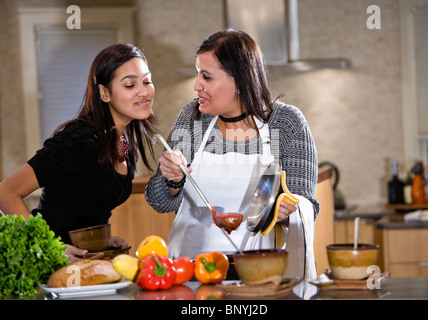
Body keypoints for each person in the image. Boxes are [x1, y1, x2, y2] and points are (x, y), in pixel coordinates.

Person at [145, 29, 319, 280]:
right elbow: (158, 201)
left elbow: (306, 207)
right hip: (191, 273)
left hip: (260, 274)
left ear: (239, 80)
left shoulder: (286, 123)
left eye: (206, 76)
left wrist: (285, 209)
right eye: (197, 74)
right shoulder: (192, 119)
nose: (196, 85)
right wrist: (172, 180)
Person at [0, 43, 158, 262]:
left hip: (84, 264)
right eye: (130, 85)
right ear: (104, 93)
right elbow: (6, 192)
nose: (144, 91)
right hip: (46, 265)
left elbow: (84, 208)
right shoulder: (81, 138)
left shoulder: (124, 142)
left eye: (147, 81)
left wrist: (106, 242)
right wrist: (48, 248)